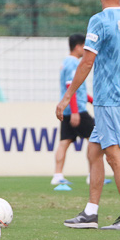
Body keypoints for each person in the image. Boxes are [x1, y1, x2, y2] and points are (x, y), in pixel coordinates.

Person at [56, 0, 120, 231]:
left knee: (114, 156)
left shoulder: (99, 21)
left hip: (107, 100)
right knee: (94, 151)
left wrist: (67, 97)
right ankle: (90, 213)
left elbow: (87, 61)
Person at [51, 33, 94, 187]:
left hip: (69, 109)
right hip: (77, 110)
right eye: (84, 46)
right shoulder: (73, 63)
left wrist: (92, 100)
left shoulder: (65, 62)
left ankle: (57, 175)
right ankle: (93, 175)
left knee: (64, 142)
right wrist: (75, 111)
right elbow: (71, 86)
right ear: (78, 47)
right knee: (95, 139)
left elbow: (78, 88)